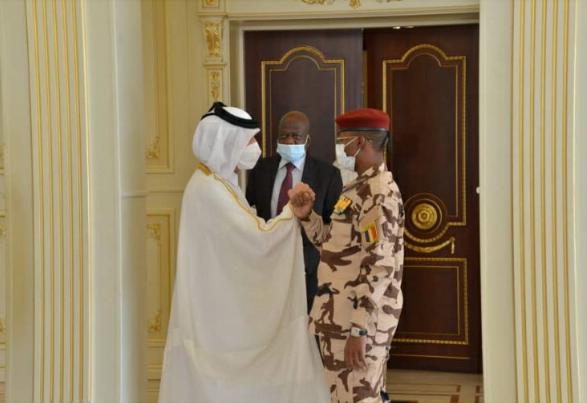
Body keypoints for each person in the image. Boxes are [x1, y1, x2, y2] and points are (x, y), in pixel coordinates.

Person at [159, 102, 329, 403]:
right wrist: (292, 212)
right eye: (249, 140)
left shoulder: (219, 181)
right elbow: (256, 239)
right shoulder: (209, 188)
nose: (254, 147)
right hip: (216, 305)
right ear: (227, 142)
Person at [288, 108, 405, 403]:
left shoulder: (378, 193)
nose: (340, 148)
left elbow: (379, 265)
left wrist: (359, 329)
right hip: (338, 316)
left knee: (359, 397)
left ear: (360, 142)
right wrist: (307, 216)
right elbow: (335, 245)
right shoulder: (357, 187)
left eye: (343, 141)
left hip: (357, 322)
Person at [246, 111, 343, 311]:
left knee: (302, 322)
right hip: (268, 262)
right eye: (284, 136)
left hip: (308, 268)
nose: (290, 141)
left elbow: (333, 225)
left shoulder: (328, 175)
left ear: (307, 140)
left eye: (296, 136)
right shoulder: (260, 170)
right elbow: (250, 211)